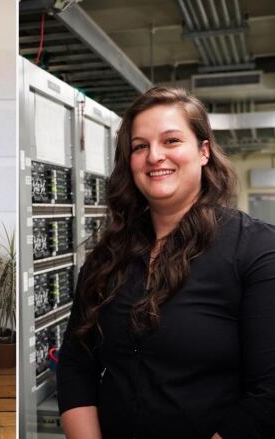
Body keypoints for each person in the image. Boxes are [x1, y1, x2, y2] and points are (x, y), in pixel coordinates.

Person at [56, 86, 275, 439]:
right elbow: (76, 365)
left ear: (203, 151)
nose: (154, 156)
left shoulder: (257, 249)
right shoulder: (108, 256)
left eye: (171, 141)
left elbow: (269, 396)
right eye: (140, 146)